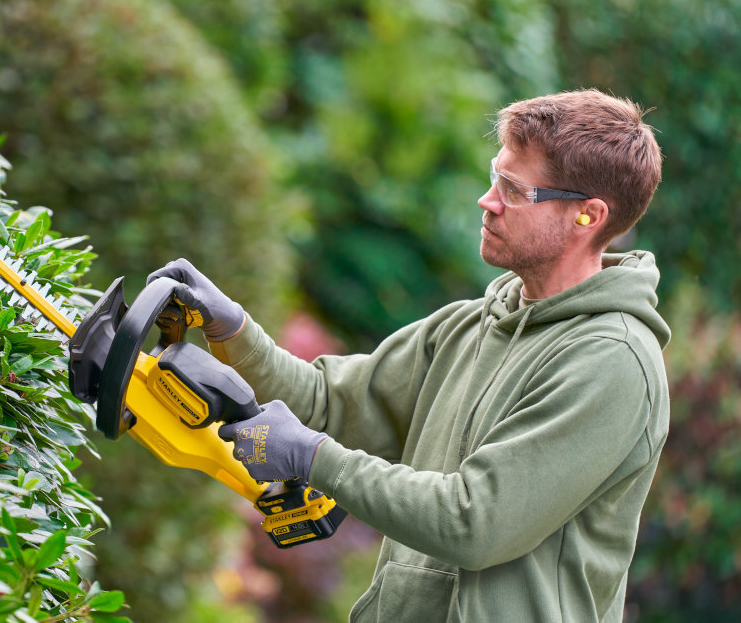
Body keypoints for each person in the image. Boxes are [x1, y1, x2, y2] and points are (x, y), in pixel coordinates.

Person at [148, 89, 669, 622]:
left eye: (514, 190)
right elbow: (327, 402)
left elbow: (476, 523)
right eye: (496, 176)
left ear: (588, 216)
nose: (487, 201)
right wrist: (232, 327)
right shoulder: (468, 326)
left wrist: (312, 457)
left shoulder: (612, 362)